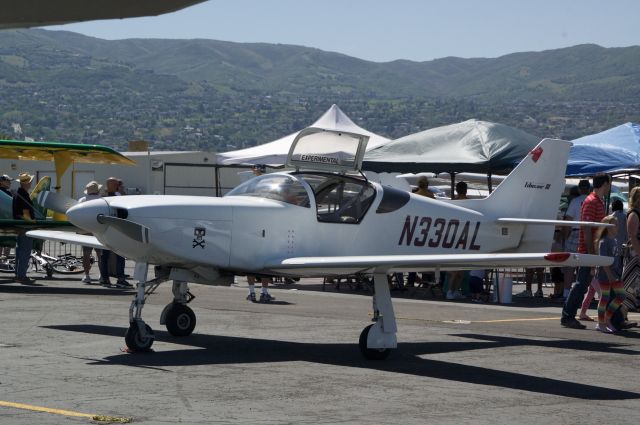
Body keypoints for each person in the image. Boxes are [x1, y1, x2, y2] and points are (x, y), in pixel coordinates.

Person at [561, 174, 611, 329]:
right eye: (608, 184)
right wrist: (591, 254)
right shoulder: (591, 201)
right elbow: (587, 229)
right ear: (604, 184)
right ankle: (568, 315)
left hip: (592, 250)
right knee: (581, 284)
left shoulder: (596, 201)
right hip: (588, 251)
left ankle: (569, 315)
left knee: (583, 284)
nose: (609, 187)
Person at [98, 177, 132, 288]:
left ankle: (105, 278)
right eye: (117, 184)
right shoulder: (118, 198)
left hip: (107, 231)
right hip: (115, 231)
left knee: (105, 256)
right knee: (118, 256)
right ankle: (119, 279)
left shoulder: (102, 199)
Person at [594, 215, 625, 333]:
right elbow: (603, 261)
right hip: (605, 274)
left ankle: (607, 319)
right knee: (604, 298)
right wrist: (609, 275)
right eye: (614, 224)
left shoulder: (615, 241)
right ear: (607, 227)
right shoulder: (604, 241)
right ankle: (601, 323)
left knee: (621, 296)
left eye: (617, 224)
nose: (617, 226)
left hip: (615, 274)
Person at [562, 180, 590, 299]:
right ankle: (586, 294)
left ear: (579, 189)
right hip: (588, 233)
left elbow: (568, 220)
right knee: (585, 266)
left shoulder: (575, 201)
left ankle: (566, 293)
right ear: (589, 189)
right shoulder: (592, 200)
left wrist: (565, 237)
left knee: (570, 266)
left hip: (575, 232)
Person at [619, 187, 640, 330]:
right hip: (635, 255)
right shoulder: (634, 214)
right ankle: (620, 318)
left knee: (634, 288)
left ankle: (622, 317)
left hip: (637, 255)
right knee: (629, 288)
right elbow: (632, 236)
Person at [12, 172, 35, 284]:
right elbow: (25, 213)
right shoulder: (24, 195)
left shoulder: (17, 194)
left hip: (18, 226)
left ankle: (18, 274)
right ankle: (21, 275)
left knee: (19, 252)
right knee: (25, 252)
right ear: (28, 183)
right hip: (25, 226)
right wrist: (33, 222)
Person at [78, 181, 101, 284]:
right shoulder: (102, 200)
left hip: (86, 229)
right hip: (99, 230)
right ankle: (102, 275)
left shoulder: (82, 200)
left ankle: (87, 276)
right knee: (100, 255)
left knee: (86, 254)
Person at [0, 174, 14, 258]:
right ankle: (5, 260)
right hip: (7, 221)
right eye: (7, 181)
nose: (9, 183)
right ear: (1, 182)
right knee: (7, 243)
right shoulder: (8, 194)